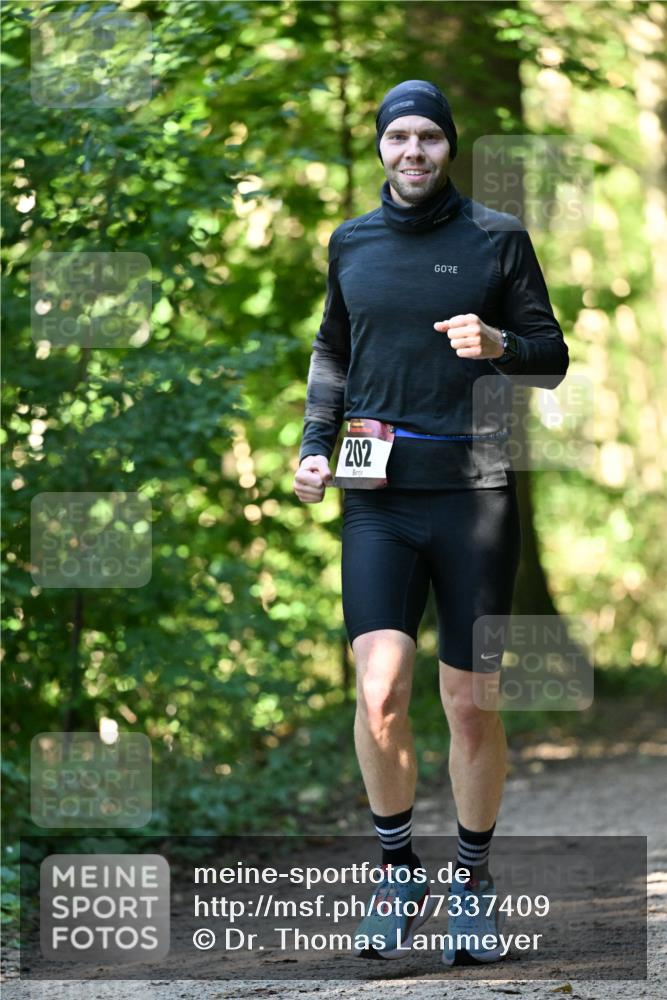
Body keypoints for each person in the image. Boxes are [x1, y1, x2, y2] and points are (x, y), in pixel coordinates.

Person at [293, 79, 568, 964]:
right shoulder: (351, 242)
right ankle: (395, 869)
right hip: (377, 495)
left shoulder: (496, 237)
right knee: (378, 690)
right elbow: (333, 350)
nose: (412, 152)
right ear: (380, 147)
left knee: (471, 702)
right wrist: (311, 446)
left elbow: (552, 356)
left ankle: (473, 882)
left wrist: (500, 346)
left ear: (450, 146)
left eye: (429, 139)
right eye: (397, 137)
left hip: (476, 493)